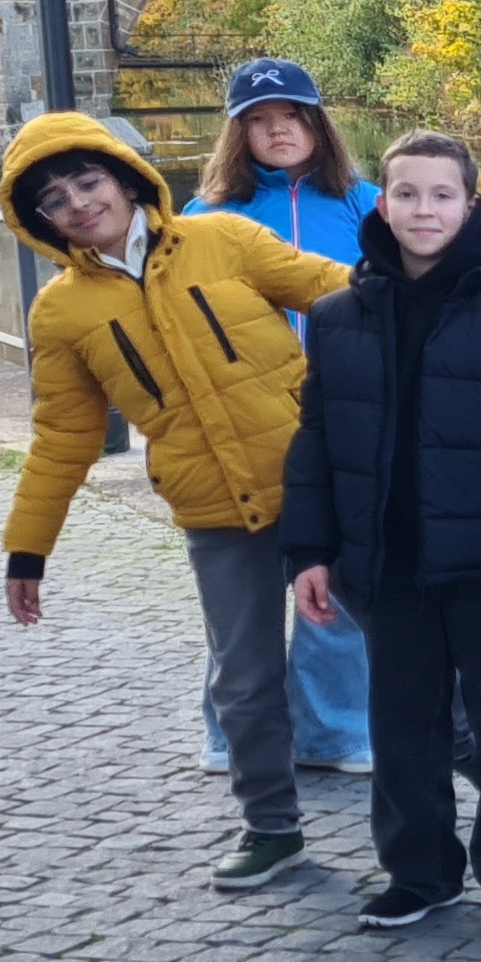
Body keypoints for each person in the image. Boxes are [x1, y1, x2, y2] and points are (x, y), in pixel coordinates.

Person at [0, 110, 351, 891]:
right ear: (41, 223)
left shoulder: (221, 238)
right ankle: (271, 828)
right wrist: (28, 549)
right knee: (245, 676)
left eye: (88, 181)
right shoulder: (61, 313)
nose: (80, 204)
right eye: (55, 200)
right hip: (215, 507)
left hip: (317, 482)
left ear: (124, 178)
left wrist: (447, 275)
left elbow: (334, 292)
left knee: (402, 645)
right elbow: (63, 436)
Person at [280, 130, 481, 932]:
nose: (423, 209)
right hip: (386, 561)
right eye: (407, 193)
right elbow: (314, 441)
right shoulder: (340, 316)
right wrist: (308, 552)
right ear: (383, 201)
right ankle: (419, 871)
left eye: (442, 194)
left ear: (470, 204)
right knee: (401, 726)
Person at [188, 54, 378, 775]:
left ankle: (333, 733)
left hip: (342, 423)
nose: (278, 131)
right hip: (242, 427)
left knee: (335, 587)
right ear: (239, 134)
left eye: (291, 115)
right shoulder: (205, 220)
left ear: (318, 123)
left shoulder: (369, 205)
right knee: (244, 597)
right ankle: (232, 731)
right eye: (260, 121)